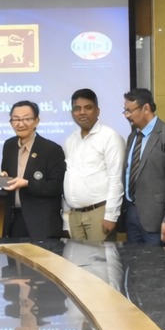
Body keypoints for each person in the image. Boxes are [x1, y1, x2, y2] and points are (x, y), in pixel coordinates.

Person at [120, 88, 165, 245]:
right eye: (125, 111)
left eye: (130, 111)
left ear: (146, 108)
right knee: (134, 260)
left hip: (157, 218)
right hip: (132, 214)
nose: (127, 115)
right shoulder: (132, 136)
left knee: (157, 260)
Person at [61, 89, 125, 240]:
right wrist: (66, 219)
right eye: (77, 108)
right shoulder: (71, 140)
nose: (82, 112)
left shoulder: (109, 137)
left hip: (99, 213)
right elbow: (69, 178)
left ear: (98, 111)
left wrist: (111, 216)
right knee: (78, 256)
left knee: (100, 256)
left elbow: (116, 179)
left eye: (88, 107)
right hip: (75, 215)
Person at [0, 100, 65, 239]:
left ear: (36, 121)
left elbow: (56, 187)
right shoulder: (9, 145)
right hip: (14, 221)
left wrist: (27, 184)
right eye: (16, 119)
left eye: (26, 119)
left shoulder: (51, 149)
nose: (20, 124)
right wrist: (3, 179)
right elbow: (10, 179)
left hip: (42, 224)